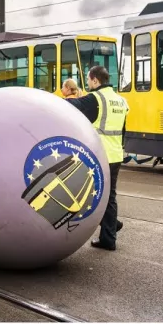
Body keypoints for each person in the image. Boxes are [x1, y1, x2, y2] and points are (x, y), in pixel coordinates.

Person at [65, 65, 128, 251]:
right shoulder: (121, 101)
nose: (88, 83)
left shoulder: (96, 98)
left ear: (95, 80)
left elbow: (72, 105)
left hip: (99, 156)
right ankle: (111, 225)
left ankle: (109, 237)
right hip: (116, 154)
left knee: (86, 195)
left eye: (88, 79)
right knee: (109, 196)